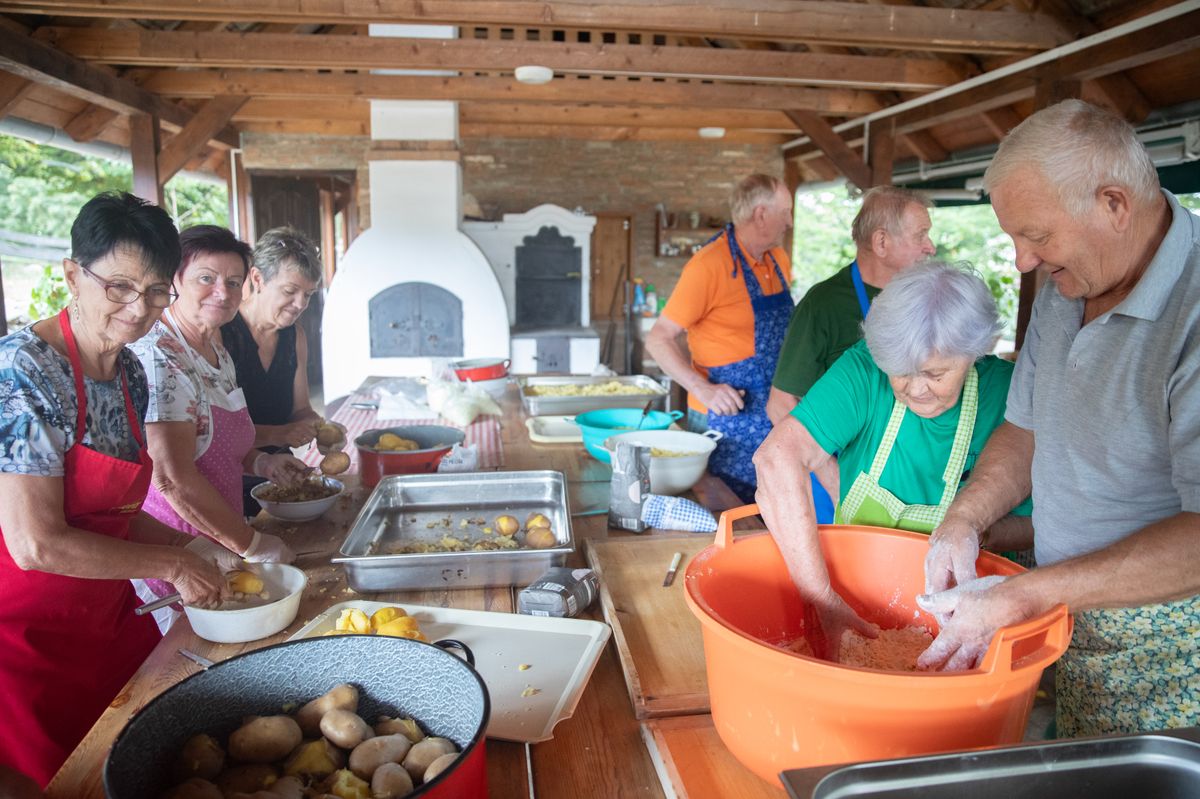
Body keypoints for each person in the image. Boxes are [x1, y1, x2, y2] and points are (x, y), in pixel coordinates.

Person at [917, 100, 1199, 737]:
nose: (1022, 260)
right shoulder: (1066, 286)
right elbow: (1025, 429)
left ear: (1114, 205)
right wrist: (965, 518)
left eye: (1036, 237)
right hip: (1065, 617)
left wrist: (1023, 595)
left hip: (1173, 654)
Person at [0, 193, 236, 785]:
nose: (139, 309)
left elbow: (115, 511)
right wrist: (175, 564)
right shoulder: (21, 374)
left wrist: (195, 550)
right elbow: (36, 545)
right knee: (73, 780)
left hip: (109, 616)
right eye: (120, 287)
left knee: (149, 755)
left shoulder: (129, 370)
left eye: (157, 292)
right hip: (30, 639)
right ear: (74, 275)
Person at [753, 263, 1032, 659]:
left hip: (963, 625)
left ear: (975, 353)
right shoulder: (864, 370)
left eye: (936, 374)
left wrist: (974, 532)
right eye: (899, 372)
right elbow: (775, 460)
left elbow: (1042, 525)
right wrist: (822, 598)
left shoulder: (1009, 395)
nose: (916, 389)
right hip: (847, 601)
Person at [130, 226, 302, 628]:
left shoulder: (216, 348)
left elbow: (219, 441)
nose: (222, 293)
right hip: (182, 555)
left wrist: (263, 464)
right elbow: (171, 478)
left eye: (233, 281)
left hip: (221, 541)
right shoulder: (160, 357)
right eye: (206, 278)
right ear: (175, 280)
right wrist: (253, 545)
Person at [766, 186, 935, 522]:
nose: (931, 246)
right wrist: (838, 484)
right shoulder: (823, 305)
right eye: (921, 235)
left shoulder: (926, 299)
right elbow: (780, 405)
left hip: (909, 479)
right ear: (881, 242)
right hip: (841, 477)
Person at [645, 174, 794, 502]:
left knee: (775, 505)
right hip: (726, 417)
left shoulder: (779, 261)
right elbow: (658, 339)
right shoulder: (708, 266)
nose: (790, 222)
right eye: (785, 211)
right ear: (760, 214)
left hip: (777, 414)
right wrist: (702, 388)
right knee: (725, 511)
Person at [221, 227, 325, 516]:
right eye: (290, 291)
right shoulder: (222, 334)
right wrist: (281, 435)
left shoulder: (295, 337)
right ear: (257, 279)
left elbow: (300, 409)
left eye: (308, 294)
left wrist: (321, 428)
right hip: (228, 483)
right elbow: (210, 436)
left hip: (281, 479)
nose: (301, 304)